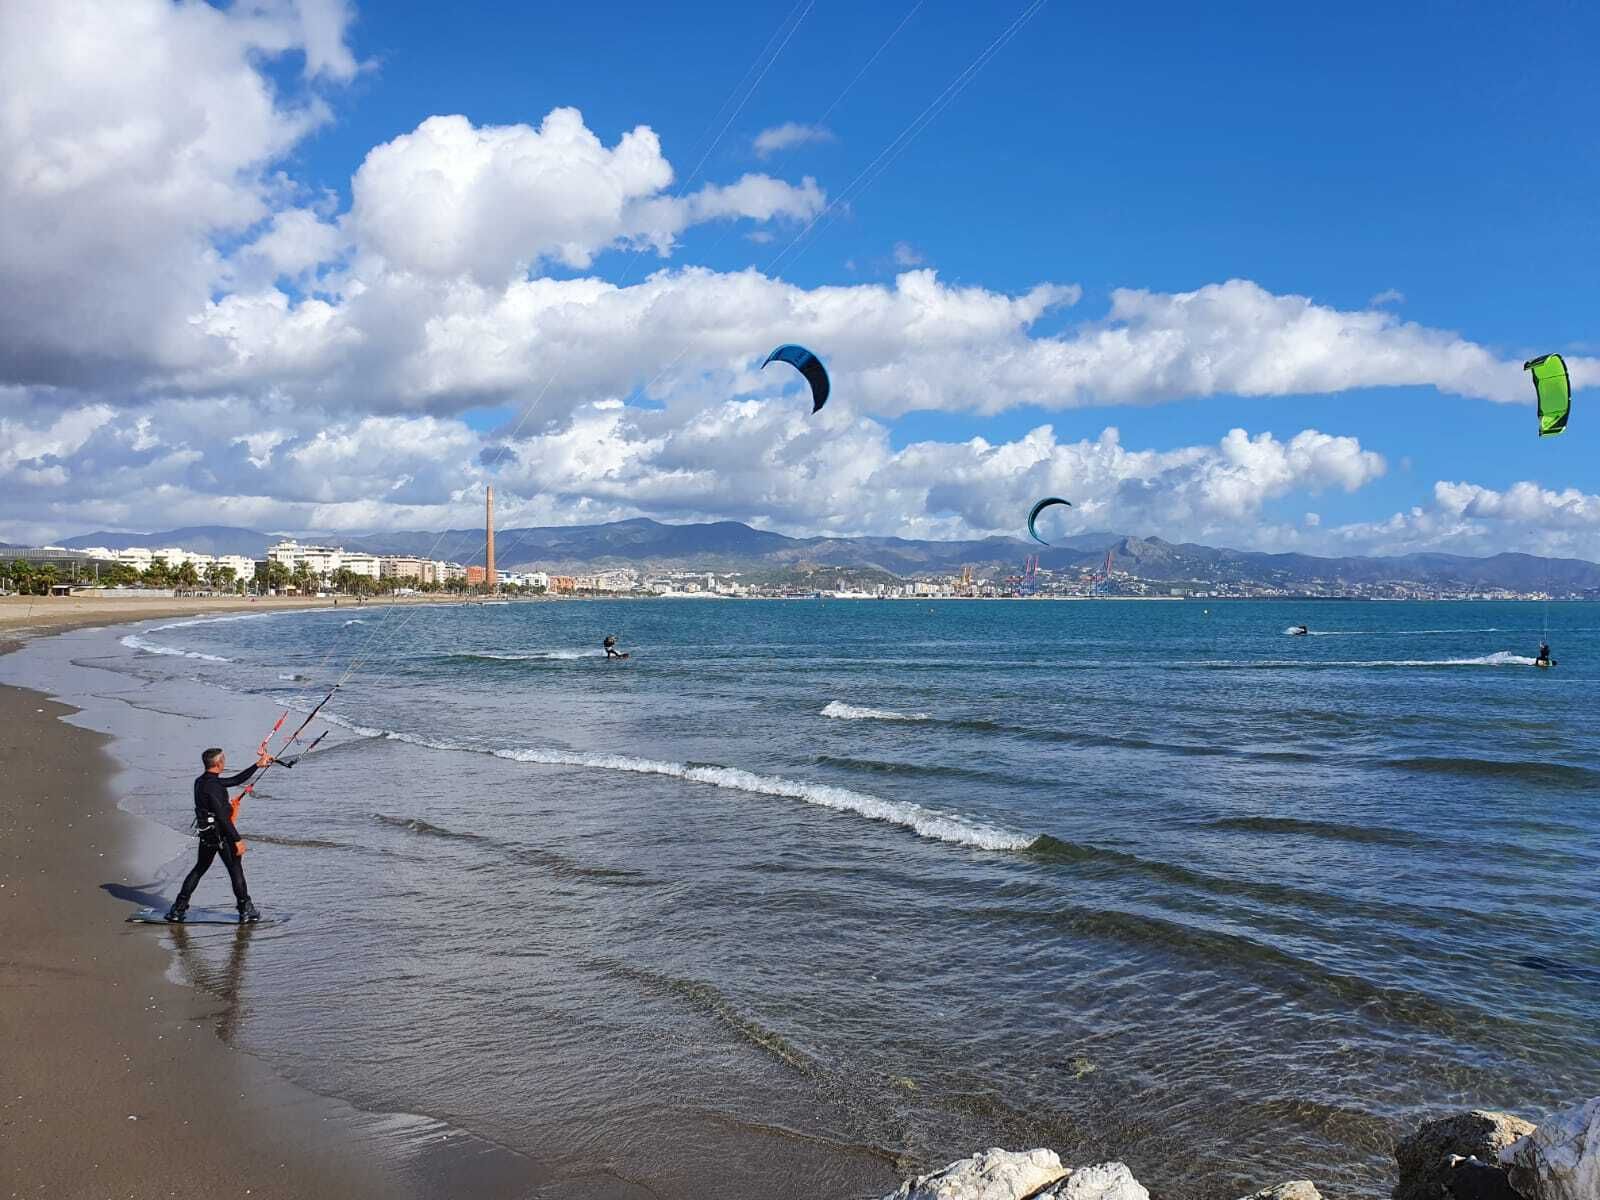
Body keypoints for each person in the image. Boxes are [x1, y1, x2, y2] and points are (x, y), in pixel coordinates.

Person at [165, 744, 272, 923]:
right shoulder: (214, 786)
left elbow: (234, 780)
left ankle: (178, 909)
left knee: (199, 868)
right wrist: (237, 840)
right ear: (219, 763)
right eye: (224, 759)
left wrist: (257, 765)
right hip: (222, 835)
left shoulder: (201, 781)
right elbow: (222, 817)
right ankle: (246, 910)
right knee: (235, 870)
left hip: (207, 835)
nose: (225, 762)